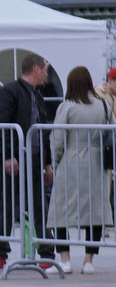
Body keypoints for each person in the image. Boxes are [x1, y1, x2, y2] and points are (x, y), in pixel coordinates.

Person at [0, 55, 56, 271]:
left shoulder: (37, 95)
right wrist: (7, 155)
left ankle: (46, 253)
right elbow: (0, 126)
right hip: (13, 162)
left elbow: (42, 131)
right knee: (6, 206)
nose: (47, 72)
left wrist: (46, 162)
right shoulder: (8, 93)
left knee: (39, 207)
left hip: (34, 160)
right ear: (36, 69)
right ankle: (0, 254)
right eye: (45, 68)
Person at [47, 65, 111, 272]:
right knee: (95, 212)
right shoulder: (103, 106)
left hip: (71, 161)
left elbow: (58, 140)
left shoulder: (67, 107)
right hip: (97, 162)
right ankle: (88, 261)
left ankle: (65, 259)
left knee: (61, 211)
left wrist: (55, 161)